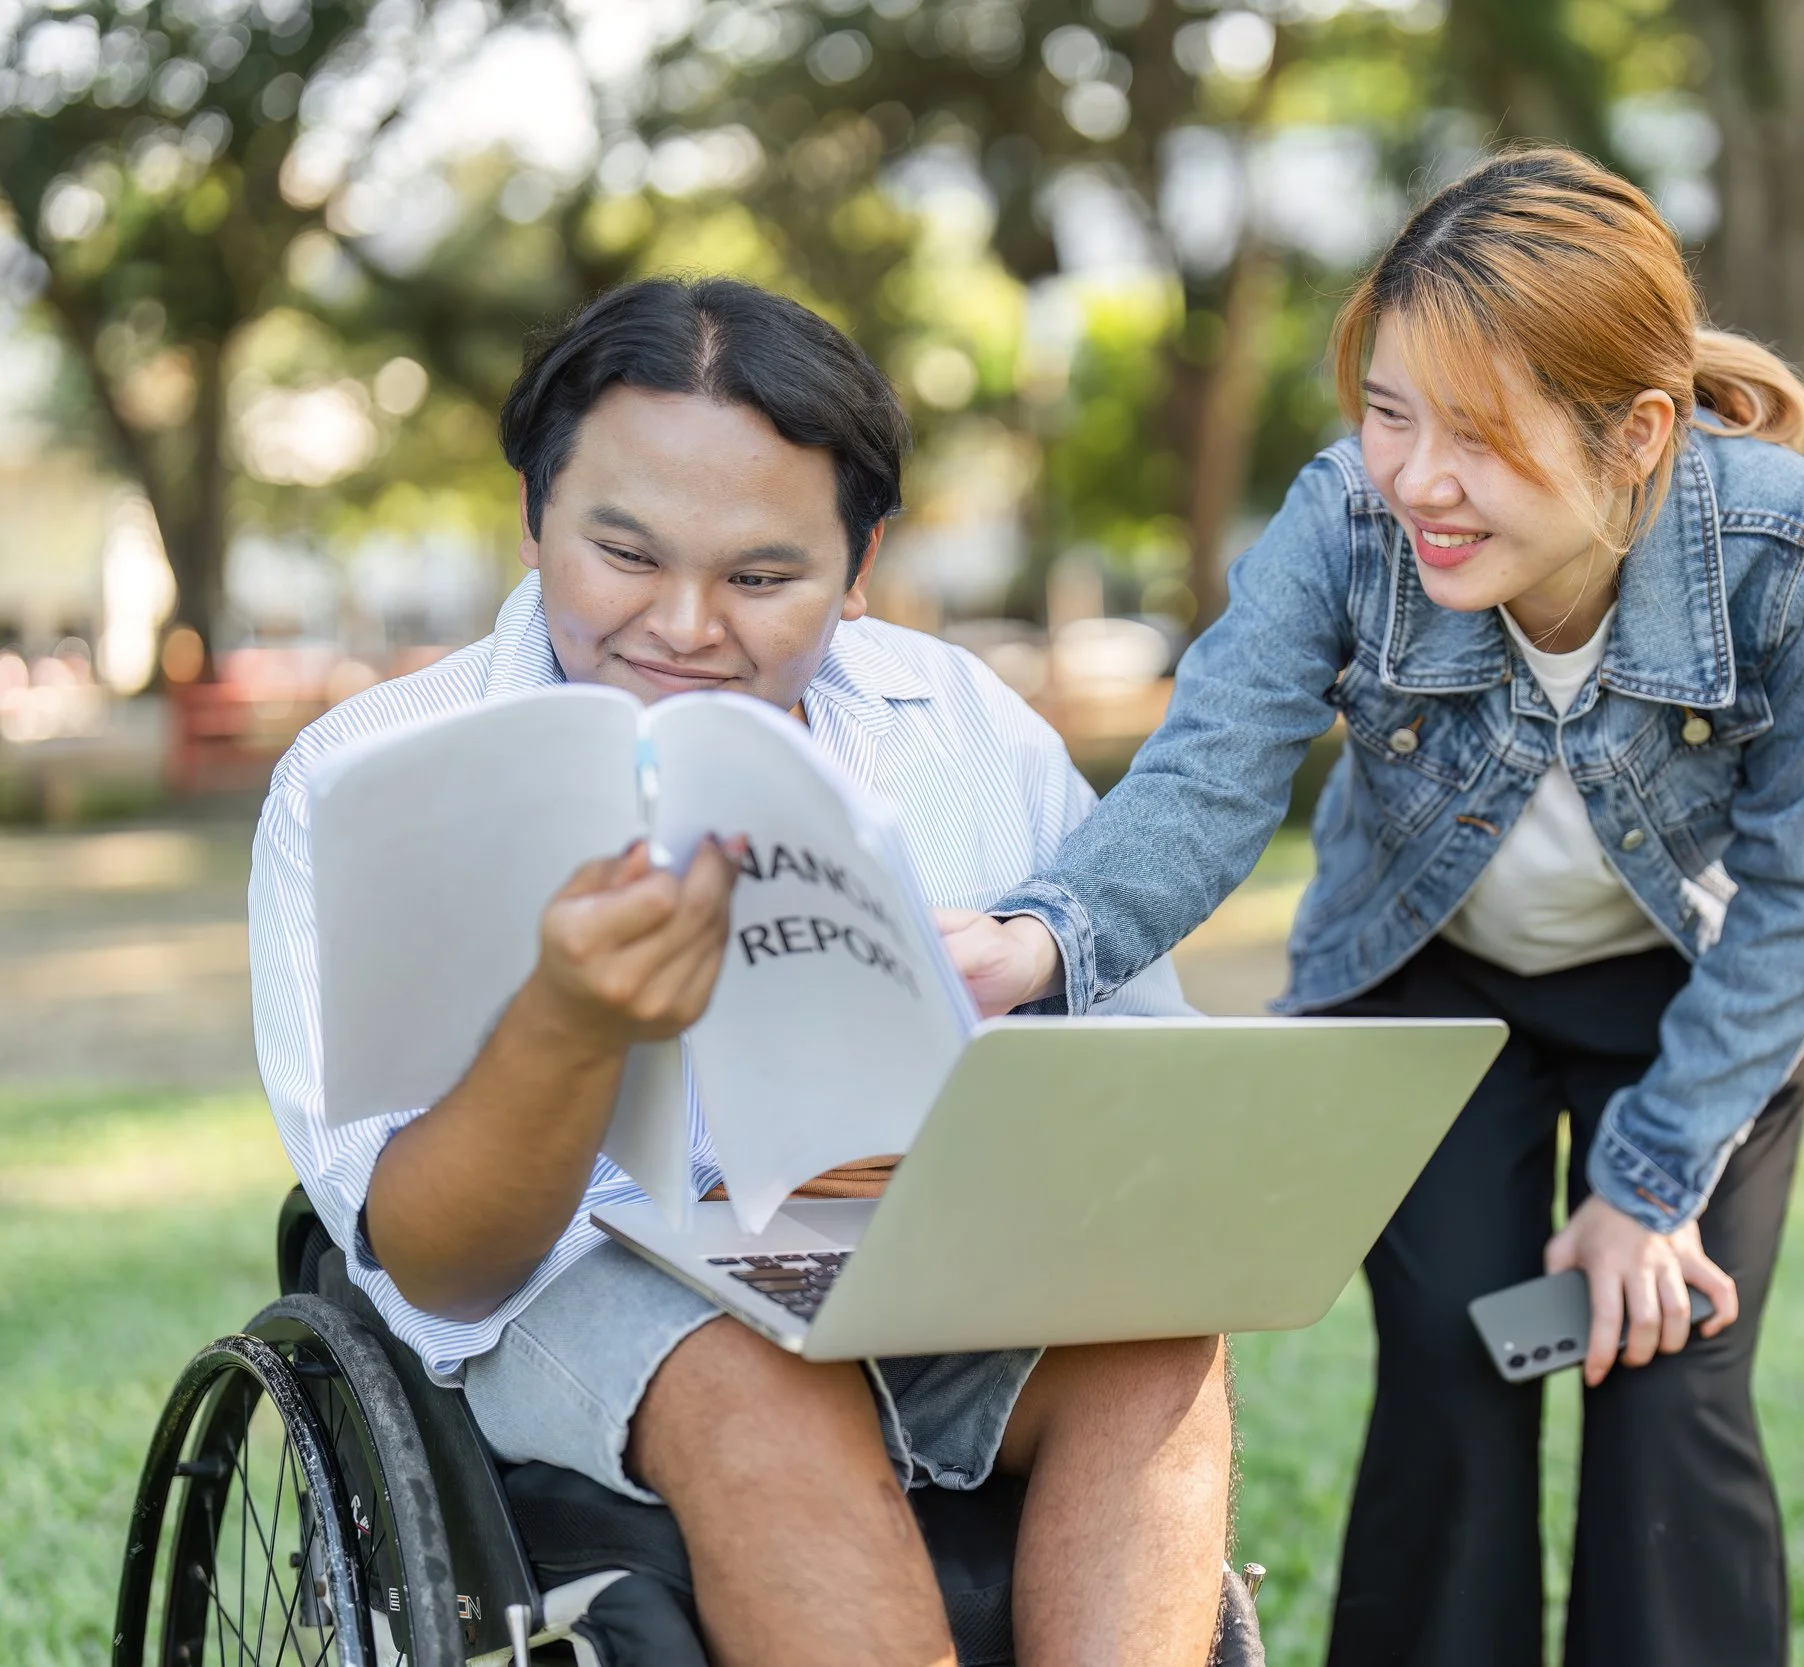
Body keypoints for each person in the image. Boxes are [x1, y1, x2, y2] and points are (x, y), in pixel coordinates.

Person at [941, 148, 1804, 1666]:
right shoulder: (1347, 523)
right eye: (1388, 410)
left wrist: (1647, 1189)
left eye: (1479, 435)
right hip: (1424, 981)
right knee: (1456, 1373)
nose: (1418, 479)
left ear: (1636, 433)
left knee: (1667, 1373)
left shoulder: (1779, 546)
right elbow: (1210, 774)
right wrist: (1044, 934)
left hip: (1703, 1000)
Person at [250, 277, 1233, 1667]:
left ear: (863, 560)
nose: (689, 627)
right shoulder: (365, 782)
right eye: (625, 555)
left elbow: (1137, 1083)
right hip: (577, 1277)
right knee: (745, 1376)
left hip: (908, 1250)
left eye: (765, 578)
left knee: (1154, 1345)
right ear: (534, 516)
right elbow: (440, 1261)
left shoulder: (956, 724)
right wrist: (569, 1026)